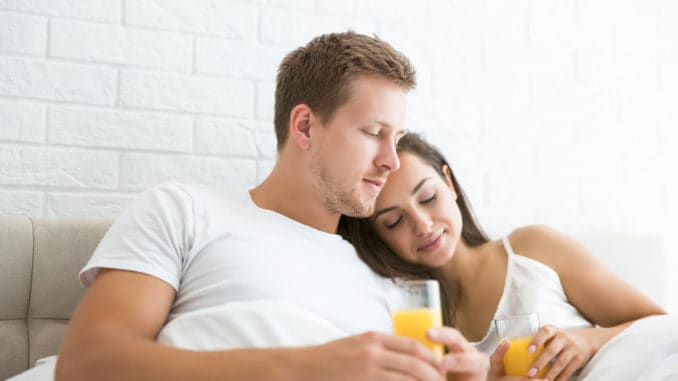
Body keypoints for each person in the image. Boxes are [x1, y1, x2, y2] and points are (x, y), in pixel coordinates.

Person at [53, 32, 488, 381]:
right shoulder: (184, 211)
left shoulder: (389, 284)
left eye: (396, 139)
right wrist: (309, 366)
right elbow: (88, 363)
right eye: (374, 132)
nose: (390, 161)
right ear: (304, 126)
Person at [338, 133, 667, 381]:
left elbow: (658, 325)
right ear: (379, 236)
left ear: (448, 182)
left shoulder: (532, 248)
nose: (423, 226)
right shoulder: (410, 320)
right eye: (395, 221)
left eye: (427, 197)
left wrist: (587, 341)